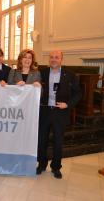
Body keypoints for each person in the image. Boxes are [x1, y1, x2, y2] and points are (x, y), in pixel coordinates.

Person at [37, 50, 82, 179]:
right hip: (45, 111)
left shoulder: (70, 75)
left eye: (57, 57)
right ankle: (41, 164)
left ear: (61, 59)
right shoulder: (42, 73)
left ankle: (56, 167)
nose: (54, 59)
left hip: (60, 112)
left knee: (58, 141)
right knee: (42, 140)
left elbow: (78, 93)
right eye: (51, 57)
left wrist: (67, 104)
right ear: (48, 59)